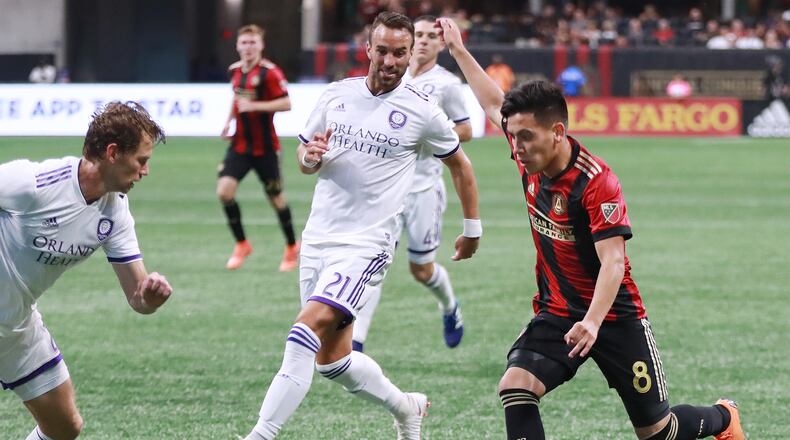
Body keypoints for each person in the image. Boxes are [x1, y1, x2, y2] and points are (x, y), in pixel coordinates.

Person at [437, 17, 744, 440]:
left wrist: (595, 322)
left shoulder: (596, 181)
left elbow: (614, 262)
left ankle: (724, 418)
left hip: (615, 317)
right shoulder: (529, 151)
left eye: (525, 137)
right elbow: (494, 102)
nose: (517, 147)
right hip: (559, 311)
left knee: (659, 433)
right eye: (513, 137)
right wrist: (456, 48)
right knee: (516, 387)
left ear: (557, 132)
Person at [243, 12, 481, 440]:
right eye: (384, 51)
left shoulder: (423, 110)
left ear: (410, 55)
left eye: (400, 53)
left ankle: (259, 435)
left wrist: (472, 228)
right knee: (332, 361)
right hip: (319, 240)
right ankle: (407, 407)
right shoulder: (336, 96)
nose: (391, 61)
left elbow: (461, 165)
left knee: (303, 332)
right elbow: (304, 159)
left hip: (366, 246)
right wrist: (309, 159)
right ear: (368, 49)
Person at [0, 101, 173, 440]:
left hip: (15, 327)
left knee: (64, 428)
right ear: (112, 152)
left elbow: (138, 298)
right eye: (141, 160)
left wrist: (151, 296)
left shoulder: (115, 212)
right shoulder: (33, 182)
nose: (145, 171)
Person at [351, 14, 474, 352]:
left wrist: (432, 135)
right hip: (385, 189)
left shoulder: (445, 84)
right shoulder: (387, 77)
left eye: (429, 36)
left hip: (423, 190)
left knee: (421, 269)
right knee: (373, 262)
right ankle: (357, 341)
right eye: (417, 34)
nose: (422, 40)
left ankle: (450, 307)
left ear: (439, 43)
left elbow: (466, 130)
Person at [218, 24, 299, 272]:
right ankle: (242, 244)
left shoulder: (270, 73)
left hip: (265, 149)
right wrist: (228, 122)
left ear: (261, 46)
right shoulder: (235, 71)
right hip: (240, 146)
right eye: (244, 43)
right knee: (224, 192)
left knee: (276, 199)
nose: (248, 47)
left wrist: (255, 107)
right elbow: (237, 98)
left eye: (253, 43)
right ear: (237, 46)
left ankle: (292, 246)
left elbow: (287, 103)